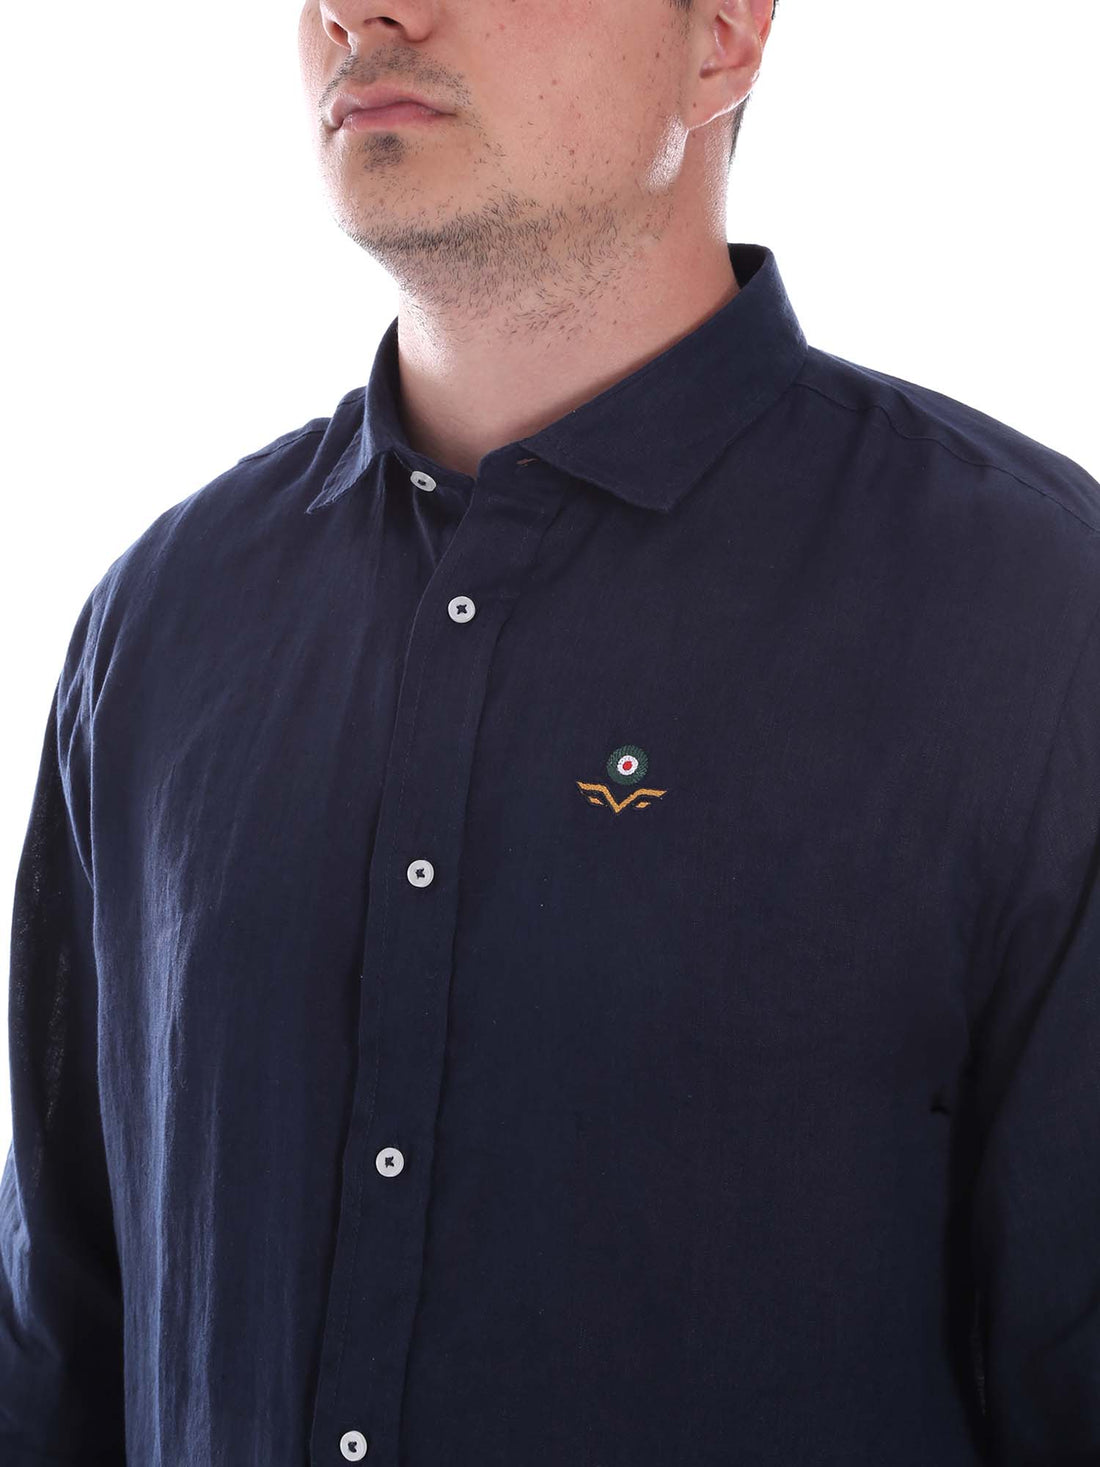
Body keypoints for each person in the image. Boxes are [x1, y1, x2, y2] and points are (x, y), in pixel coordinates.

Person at [2, 0, 1098, 1461]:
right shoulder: (163, 622)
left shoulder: (1030, 614)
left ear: (722, 36)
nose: (365, 10)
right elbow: (58, 1357)